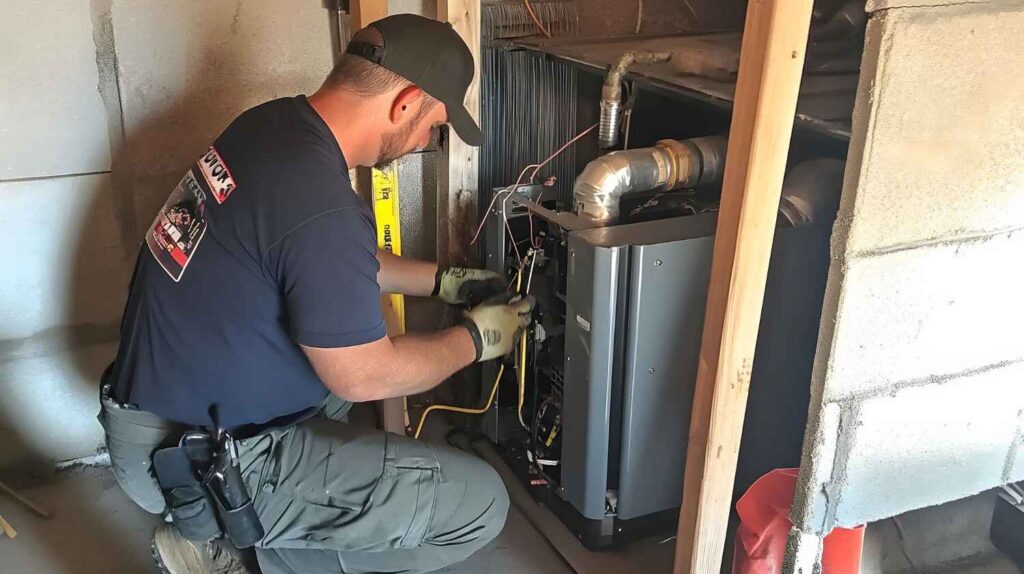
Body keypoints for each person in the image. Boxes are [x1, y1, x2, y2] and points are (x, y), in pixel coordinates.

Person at [98, 14, 532, 574]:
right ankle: (229, 547)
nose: (426, 140)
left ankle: (245, 521)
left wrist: (440, 281)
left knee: (332, 383)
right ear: (406, 103)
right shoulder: (321, 204)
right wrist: (475, 339)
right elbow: (364, 374)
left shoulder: (273, 128)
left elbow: (325, 263)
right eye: (434, 125)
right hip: (196, 456)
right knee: (480, 505)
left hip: (152, 414)